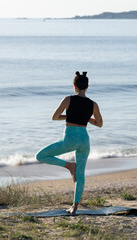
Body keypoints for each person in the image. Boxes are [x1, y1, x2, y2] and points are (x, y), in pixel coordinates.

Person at [36, 71, 103, 214]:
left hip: (70, 140)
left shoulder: (68, 99)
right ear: (87, 87)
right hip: (84, 140)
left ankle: (68, 165)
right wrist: (85, 118)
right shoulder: (93, 104)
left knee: (40, 156)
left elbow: (55, 117)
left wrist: (70, 116)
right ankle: (75, 206)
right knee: (81, 174)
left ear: (74, 86)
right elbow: (99, 123)